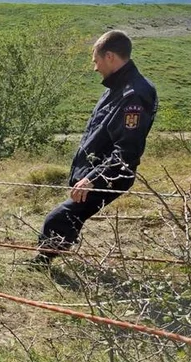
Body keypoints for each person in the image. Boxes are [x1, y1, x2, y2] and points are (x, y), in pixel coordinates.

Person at [35, 30, 158, 266]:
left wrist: (93, 179)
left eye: (96, 60)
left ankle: (42, 261)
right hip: (96, 172)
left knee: (59, 218)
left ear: (110, 56)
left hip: (110, 176)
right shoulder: (115, 89)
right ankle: (55, 255)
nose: (95, 68)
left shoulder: (134, 95)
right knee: (72, 216)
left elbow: (127, 152)